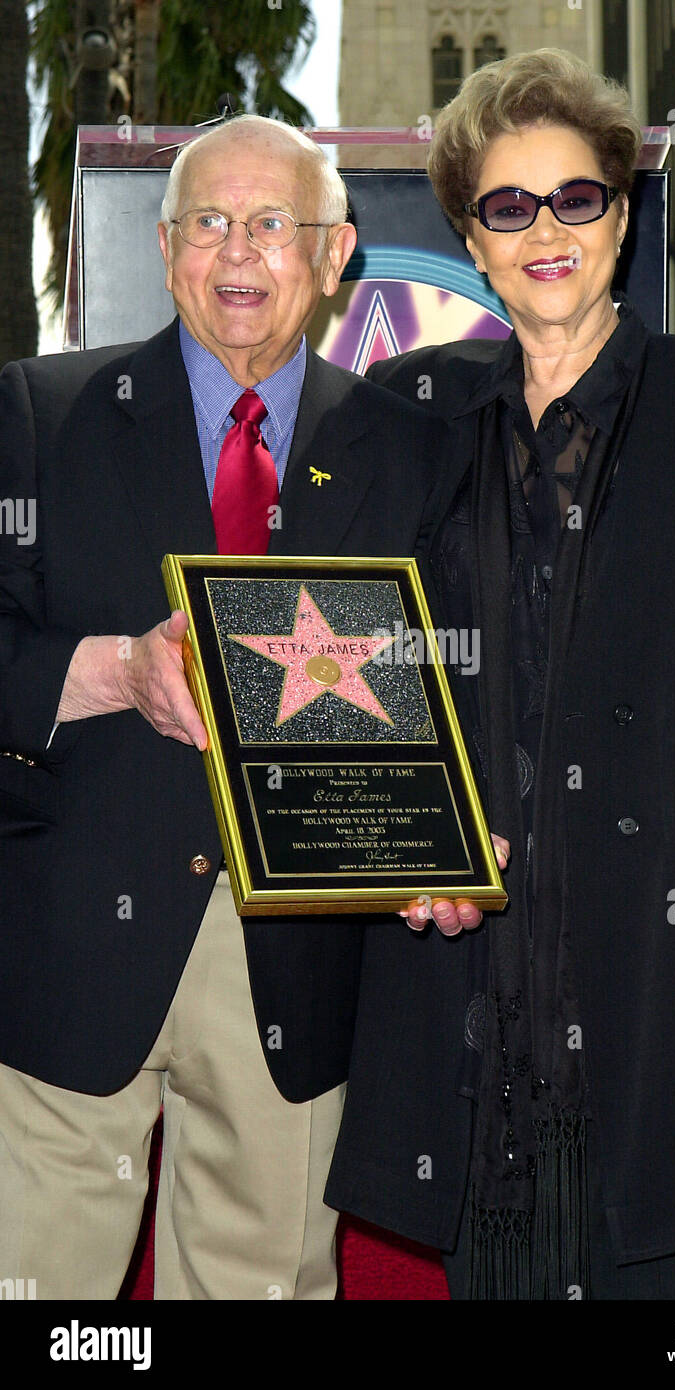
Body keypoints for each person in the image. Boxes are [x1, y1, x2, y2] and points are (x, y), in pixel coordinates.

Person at [325, 49, 675, 1300]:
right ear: (470, 234)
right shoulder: (405, 418)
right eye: (509, 206)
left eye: (578, 197)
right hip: (480, 1031)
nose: (546, 229)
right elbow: (343, 658)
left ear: (623, 211)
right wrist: (402, 847)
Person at [0, 114, 465, 1300]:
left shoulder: (411, 448)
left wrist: (447, 838)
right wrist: (112, 671)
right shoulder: (40, 416)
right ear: (164, 248)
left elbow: (460, 675)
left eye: (273, 223)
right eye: (209, 221)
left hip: (298, 961)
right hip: (71, 963)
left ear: (335, 251)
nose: (239, 250)